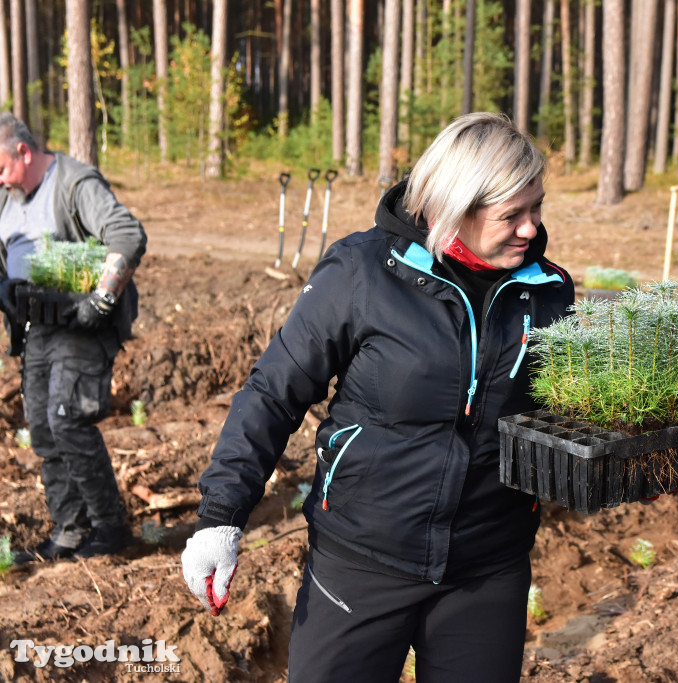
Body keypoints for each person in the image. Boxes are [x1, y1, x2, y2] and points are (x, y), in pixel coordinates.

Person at [181, 112, 575, 681]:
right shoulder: (364, 273)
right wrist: (222, 516)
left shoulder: (546, 290)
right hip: (360, 561)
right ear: (454, 207)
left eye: (537, 209)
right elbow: (272, 393)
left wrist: (633, 450)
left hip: (488, 566)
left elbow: (563, 414)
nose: (531, 229)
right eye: (512, 215)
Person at [0, 114, 147, 563]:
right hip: (37, 324)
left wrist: (101, 299)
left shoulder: (75, 183)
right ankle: (69, 528)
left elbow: (127, 234)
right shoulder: (8, 195)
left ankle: (110, 526)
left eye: (2, 166)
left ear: (24, 151)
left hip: (84, 321)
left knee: (67, 418)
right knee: (43, 429)